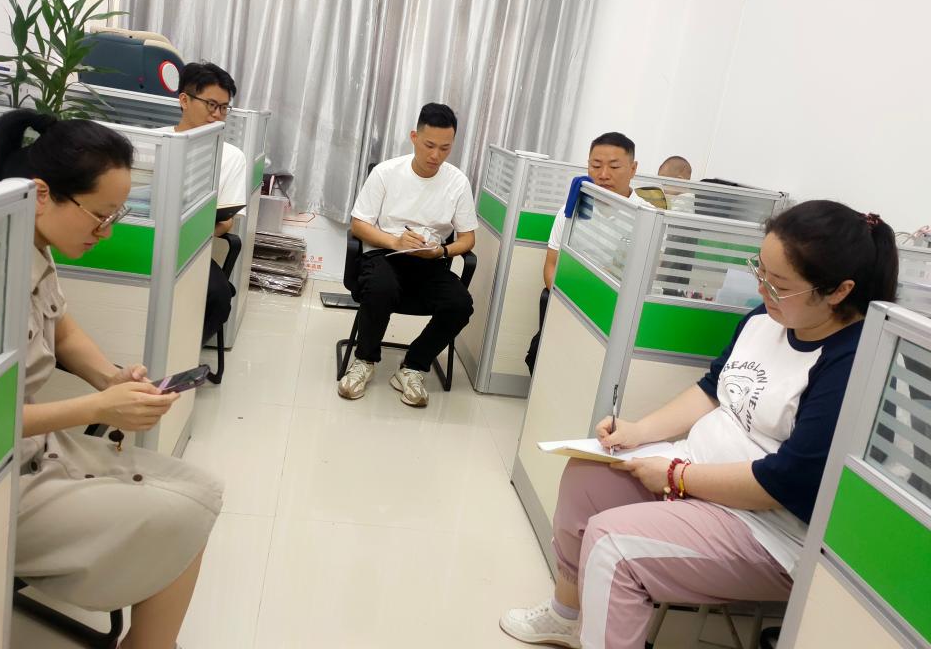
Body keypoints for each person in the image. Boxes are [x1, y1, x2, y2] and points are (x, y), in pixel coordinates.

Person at [501, 200, 898, 649]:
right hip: (697, 474)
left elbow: (785, 483)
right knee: (586, 477)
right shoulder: (765, 319)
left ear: (839, 291)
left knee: (613, 546)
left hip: (766, 528)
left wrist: (677, 477)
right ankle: (566, 615)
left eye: (779, 284)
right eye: (760, 270)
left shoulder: (851, 364)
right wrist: (638, 432)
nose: (762, 288)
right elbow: (712, 390)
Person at [0, 110, 223, 649]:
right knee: (179, 513)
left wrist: (110, 378)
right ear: (42, 194)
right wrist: (99, 409)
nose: (107, 231)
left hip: (35, 449)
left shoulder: (32, 246)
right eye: (99, 216)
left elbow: (63, 329)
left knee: (201, 491)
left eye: (116, 216)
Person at [337, 102, 477, 407]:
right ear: (414, 137)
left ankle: (413, 366)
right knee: (381, 288)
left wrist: (442, 251)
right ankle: (365, 360)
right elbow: (359, 225)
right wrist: (395, 242)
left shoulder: (457, 182)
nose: (435, 155)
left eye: (445, 148)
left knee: (460, 304)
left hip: (429, 262)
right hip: (385, 254)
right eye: (429, 145)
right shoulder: (387, 173)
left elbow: (468, 238)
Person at [525, 132, 649, 375]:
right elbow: (551, 265)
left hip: (619, 314)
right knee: (537, 355)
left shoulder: (648, 219)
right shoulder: (572, 209)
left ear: (633, 169)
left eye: (614, 166)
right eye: (596, 165)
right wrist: (569, 301)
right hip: (572, 303)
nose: (603, 174)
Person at [160, 62, 248, 345]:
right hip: (148, 243)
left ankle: (182, 352)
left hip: (192, 250)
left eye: (224, 108)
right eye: (211, 105)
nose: (218, 115)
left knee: (218, 297)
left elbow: (226, 222)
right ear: (184, 100)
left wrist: (185, 238)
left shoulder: (232, 157)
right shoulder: (156, 143)